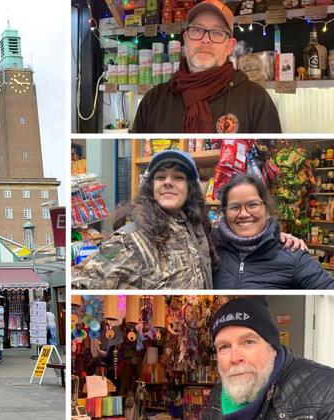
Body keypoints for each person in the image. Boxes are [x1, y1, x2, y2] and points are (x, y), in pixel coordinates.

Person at [73, 150, 216, 289]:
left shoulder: (196, 228)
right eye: (160, 177)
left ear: (190, 188)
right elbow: (81, 283)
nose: (167, 182)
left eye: (178, 177)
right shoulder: (130, 239)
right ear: (151, 186)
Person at [132, 0, 281, 133]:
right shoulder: (153, 101)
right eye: (197, 30)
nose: (205, 40)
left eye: (216, 33)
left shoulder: (256, 99)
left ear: (230, 46)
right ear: (186, 39)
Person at [203, 297, 334, 417]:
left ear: (272, 347)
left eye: (248, 342)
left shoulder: (327, 390)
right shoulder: (219, 393)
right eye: (224, 347)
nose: (234, 358)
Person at [214, 174, 334, 289]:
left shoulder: (292, 254)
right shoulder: (211, 249)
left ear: (266, 208)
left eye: (253, 205)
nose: (244, 214)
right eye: (234, 207)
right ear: (225, 212)